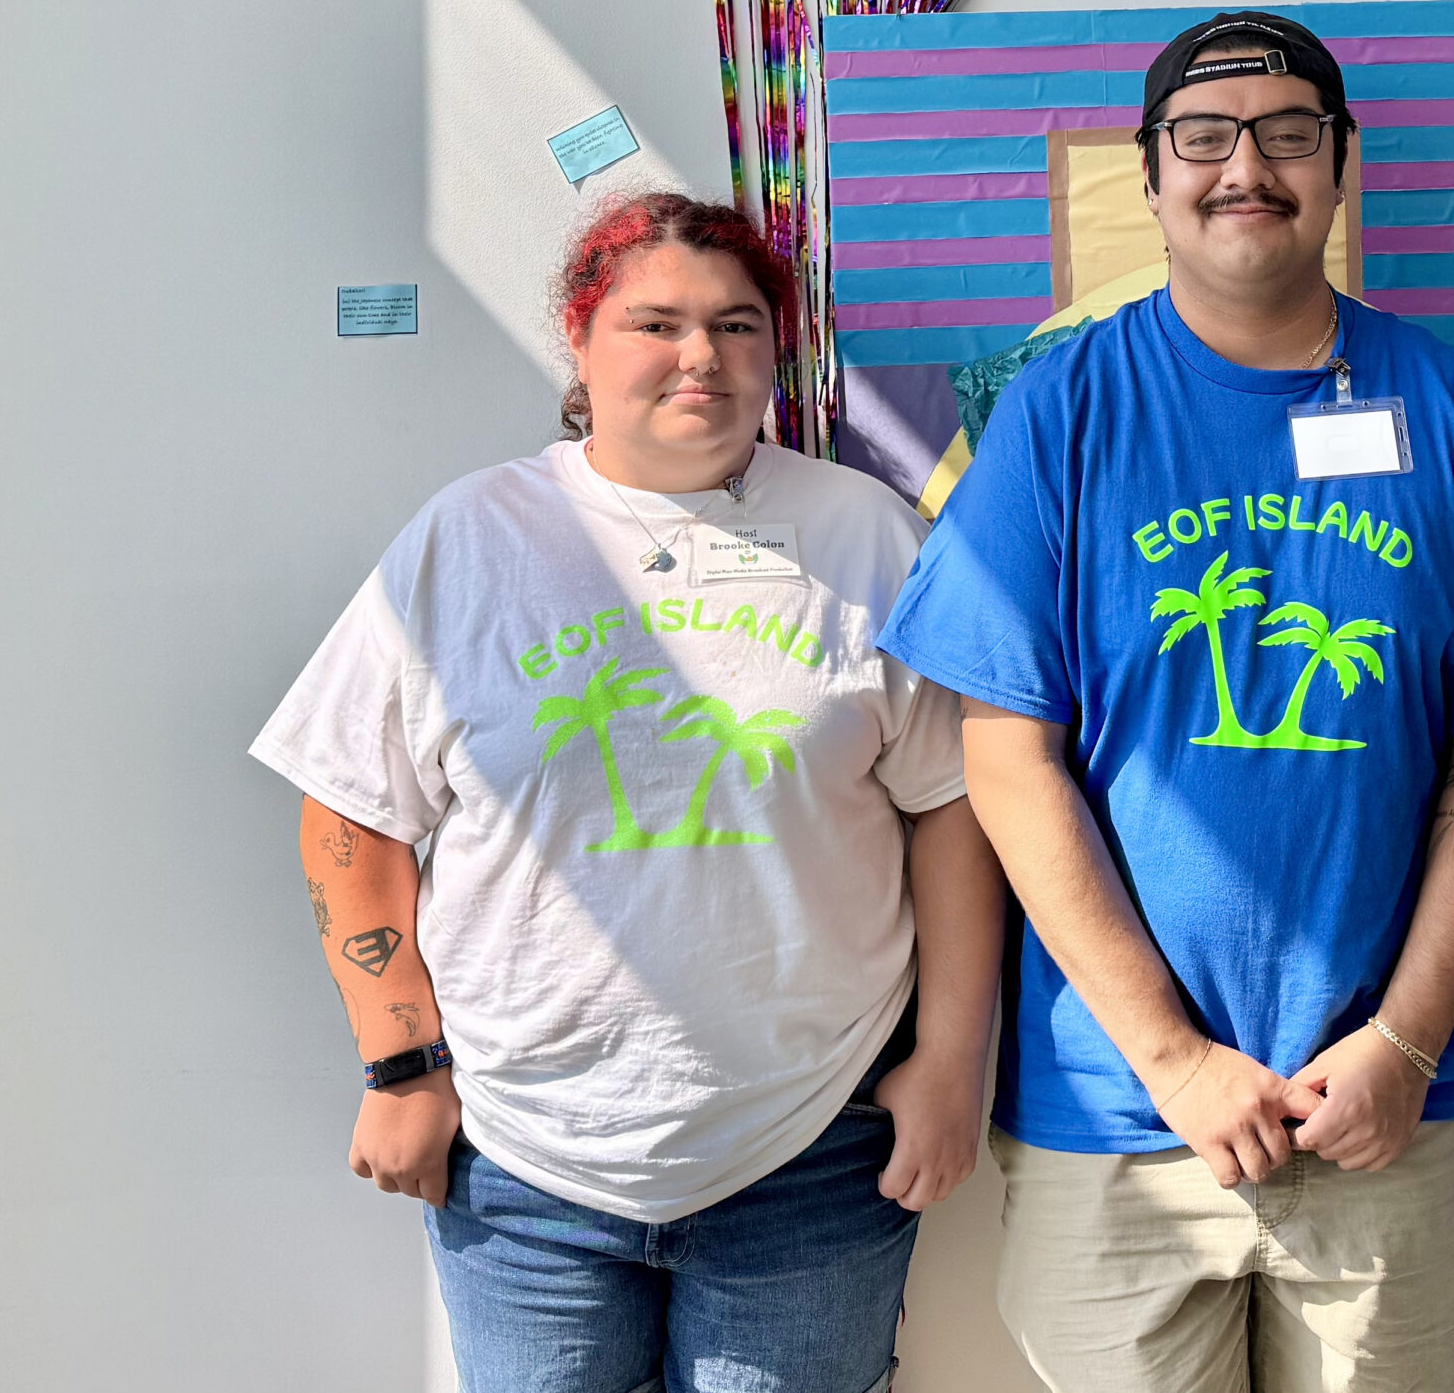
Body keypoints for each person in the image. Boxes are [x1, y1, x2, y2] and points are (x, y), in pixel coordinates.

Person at [878, 10, 1454, 1392]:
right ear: (1152, 176)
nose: (1248, 167)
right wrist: (1172, 1059)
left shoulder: (1452, 410)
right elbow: (1003, 758)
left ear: (1340, 165)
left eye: (1289, 134)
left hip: (1382, 1112)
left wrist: (1401, 1042)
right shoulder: (1062, 411)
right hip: (1116, 1112)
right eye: (1206, 137)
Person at [252, 194, 1003, 1393]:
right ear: (580, 336)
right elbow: (351, 806)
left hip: (813, 1148)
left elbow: (953, 808)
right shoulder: (469, 537)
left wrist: (955, 1059)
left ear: (777, 349)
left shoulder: (864, 535)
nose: (701, 355)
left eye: (738, 325)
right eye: (656, 322)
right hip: (520, 1163)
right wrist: (401, 1067)